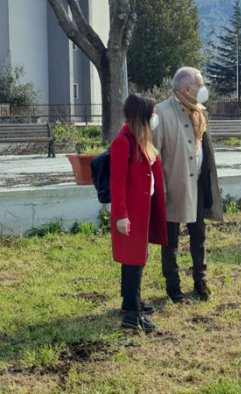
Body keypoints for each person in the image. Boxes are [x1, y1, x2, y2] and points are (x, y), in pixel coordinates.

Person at [153, 66, 224, 303]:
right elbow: (155, 154)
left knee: (199, 236)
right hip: (173, 187)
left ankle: (200, 282)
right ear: (186, 89)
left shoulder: (199, 111)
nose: (204, 90)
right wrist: (160, 189)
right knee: (170, 240)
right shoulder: (161, 112)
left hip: (198, 184)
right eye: (200, 86)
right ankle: (173, 288)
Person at [110, 93, 167, 332]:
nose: (155, 117)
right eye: (152, 113)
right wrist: (121, 215)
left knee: (136, 258)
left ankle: (130, 302)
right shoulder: (123, 143)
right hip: (131, 214)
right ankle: (132, 316)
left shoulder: (140, 141)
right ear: (142, 117)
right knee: (134, 260)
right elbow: (117, 183)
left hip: (142, 212)